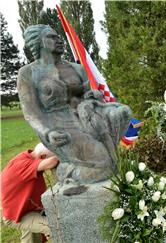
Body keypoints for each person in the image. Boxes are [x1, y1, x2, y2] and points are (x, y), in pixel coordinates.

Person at [17, 25, 131, 184]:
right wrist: (48, 132)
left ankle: (95, 160)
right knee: (106, 164)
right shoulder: (28, 73)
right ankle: (68, 171)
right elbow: (31, 112)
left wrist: (93, 95)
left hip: (85, 114)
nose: (59, 40)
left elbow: (88, 95)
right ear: (39, 42)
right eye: (52, 37)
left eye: (58, 36)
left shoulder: (77, 68)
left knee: (123, 112)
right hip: (59, 125)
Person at [1, 143, 59, 243]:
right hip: (19, 215)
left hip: (27, 208)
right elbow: (52, 161)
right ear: (43, 156)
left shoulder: (28, 156)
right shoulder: (23, 166)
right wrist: (63, 155)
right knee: (56, 227)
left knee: (31, 240)